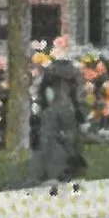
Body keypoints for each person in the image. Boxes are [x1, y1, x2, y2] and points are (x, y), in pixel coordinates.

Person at [29, 60, 87, 194]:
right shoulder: (74, 75)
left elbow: (40, 95)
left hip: (51, 112)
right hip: (67, 111)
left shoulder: (48, 74)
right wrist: (81, 118)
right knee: (70, 144)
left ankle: (53, 175)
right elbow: (78, 98)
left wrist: (38, 111)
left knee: (51, 142)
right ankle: (72, 174)